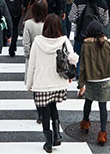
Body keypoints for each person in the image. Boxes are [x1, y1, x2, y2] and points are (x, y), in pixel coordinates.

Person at [26, 14, 76, 153]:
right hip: (58, 82)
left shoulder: (37, 41)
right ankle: (57, 135)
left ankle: (48, 142)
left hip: (42, 82)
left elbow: (32, 65)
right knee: (53, 106)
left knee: (45, 111)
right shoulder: (64, 40)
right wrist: (70, 76)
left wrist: (29, 84)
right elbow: (73, 59)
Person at [77, 20, 110, 145]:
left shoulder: (86, 45)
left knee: (88, 102)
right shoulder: (107, 44)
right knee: (102, 106)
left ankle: (85, 123)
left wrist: (81, 83)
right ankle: (103, 133)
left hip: (90, 78)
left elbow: (82, 65)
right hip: (104, 79)